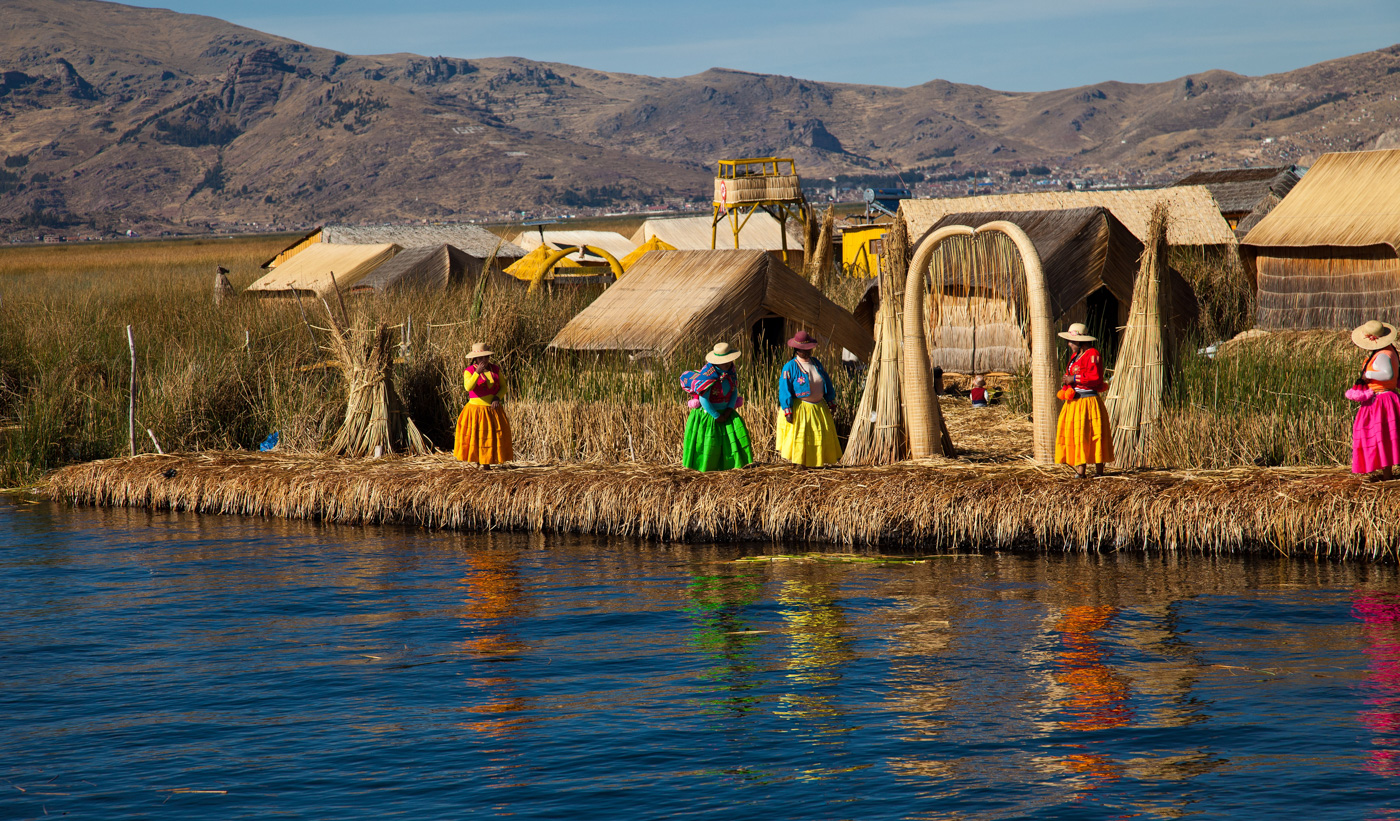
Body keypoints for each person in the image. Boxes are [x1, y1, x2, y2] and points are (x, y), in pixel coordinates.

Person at [681, 342, 754, 471]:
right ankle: (706, 467)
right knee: (710, 444)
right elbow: (704, 399)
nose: (728, 363)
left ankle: (733, 466)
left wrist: (729, 410)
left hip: (727, 412)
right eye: (724, 361)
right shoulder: (708, 376)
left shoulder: (731, 372)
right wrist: (716, 415)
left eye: (729, 360)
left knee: (732, 441)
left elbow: (734, 391)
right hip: (710, 415)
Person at [1054, 322, 1113, 478]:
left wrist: (1072, 378)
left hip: (1088, 402)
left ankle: (1099, 471)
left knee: (1094, 434)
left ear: (1081, 341)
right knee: (1078, 434)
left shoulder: (1093, 354)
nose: (1069, 344)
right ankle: (1081, 472)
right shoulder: (1075, 356)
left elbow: (1095, 377)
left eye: (1071, 341)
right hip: (1075, 401)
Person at [777, 330, 842, 468]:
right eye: (802, 350)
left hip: (818, 408)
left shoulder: (816, 363)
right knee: (801, 438)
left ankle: (815, 463)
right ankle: (799, 463)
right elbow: (784, 389)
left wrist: (831, 401)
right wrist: (787, 410)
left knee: (817, 437)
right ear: (796, 349)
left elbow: (827, 382)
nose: (806, 352)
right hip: (801, 408)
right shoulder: (790, 367)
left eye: (808, 349)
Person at [1348, 320, 1400, 481]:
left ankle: (1387, 474)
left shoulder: (1383, 355)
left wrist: (1367, 376)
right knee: (1384, 435)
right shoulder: (1390, 350)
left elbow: (1387, 374)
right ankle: (1386, 473)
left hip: (1381, 400)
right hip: (1386, 397)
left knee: (1380, 435)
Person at [453, 343, 513, 468]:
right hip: (475, 410)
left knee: (488, 436)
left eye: (486, 357)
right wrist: (477, 373)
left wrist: (497, 397)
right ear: (475, 359)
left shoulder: (495, 369)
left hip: (492, 410)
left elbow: (503, 387)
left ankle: (487, 463)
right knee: (476, 437)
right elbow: (468, 387)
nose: (484, 360)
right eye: (481, 358)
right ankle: (478, 461)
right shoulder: (469, 371)